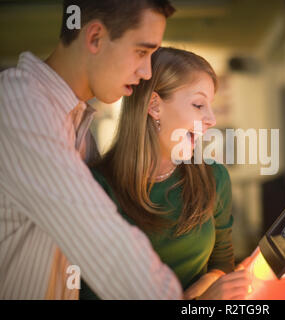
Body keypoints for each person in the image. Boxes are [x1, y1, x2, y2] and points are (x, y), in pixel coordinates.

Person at [0, 0, 183, 299]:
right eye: (141, 52)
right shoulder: (18, 105)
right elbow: (104, 242)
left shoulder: (78, 128)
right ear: (95, 37)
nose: (147, 72)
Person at [80, 47, 250, 300]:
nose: (211, 119)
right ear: (155, 106)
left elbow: (222, 261)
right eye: (198, 104)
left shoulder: (214, 177)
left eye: (210, 106)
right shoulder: (96, 187)